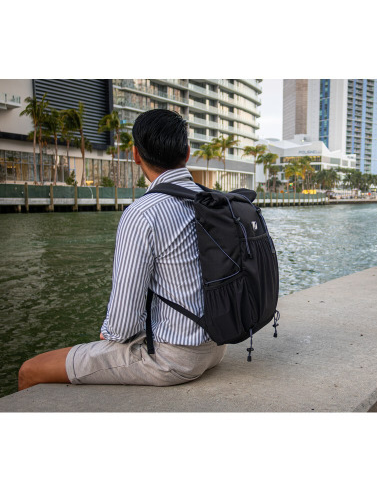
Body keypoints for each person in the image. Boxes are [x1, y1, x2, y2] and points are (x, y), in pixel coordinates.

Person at [18, 109, 226, 391]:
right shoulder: (210, 201)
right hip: (216, 346)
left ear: (136, 154)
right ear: (187, 153)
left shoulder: (142, 213)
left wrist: (109, 333)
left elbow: (123, 326)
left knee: (30, 370)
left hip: (173, 358)